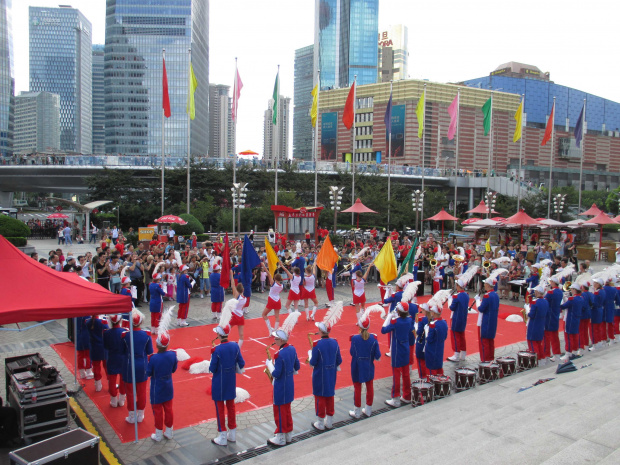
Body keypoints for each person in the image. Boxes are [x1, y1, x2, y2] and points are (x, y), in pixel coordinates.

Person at [210, 313, 245, 446]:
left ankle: (222, 435)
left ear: (219, 335)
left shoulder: (216, 350)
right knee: (231, 406)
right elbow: (241, 363)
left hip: (219, 382)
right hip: (231, 381)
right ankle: (233, 433)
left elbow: (212, 368)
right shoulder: (235, 346)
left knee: (219, 408)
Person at [266, 313, 301, 446]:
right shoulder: (292, 349)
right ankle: (288, 434)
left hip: (280, 386)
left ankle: (280, 436)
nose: (274, 340)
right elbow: (297, 366)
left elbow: (276, 374)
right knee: (287, 410)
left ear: (281, 340)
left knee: (279, 411)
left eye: (276, 338)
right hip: (290, 384)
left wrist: (269, 365)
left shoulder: (279, 354)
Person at [309, 316, 342, 431]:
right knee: (330, 396)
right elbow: (339, 360)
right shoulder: (335, 342)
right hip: (331, 374)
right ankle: (330, 421)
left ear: (322, 331)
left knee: (320, 397)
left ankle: (320, 422)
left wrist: (310, 357)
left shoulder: (317, 345)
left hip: (320, 374)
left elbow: (313, 362)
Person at [121, 310, 153, 424]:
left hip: (129, 365)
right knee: (141, 391)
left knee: (130, 392)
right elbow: (150, 351)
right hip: (142, 366)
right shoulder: (146, 335)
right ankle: (141, 414)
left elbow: (122, 351)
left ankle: (131, 415)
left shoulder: (125, 335)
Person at [381, 301, 414, 407]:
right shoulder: (409, 320)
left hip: (397, 351)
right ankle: (407, 395)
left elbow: (383, 330)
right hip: (406, 349)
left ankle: (395, 398)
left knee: (396, 375)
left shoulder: (395, 322)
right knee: (406, 374)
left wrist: (389, 318)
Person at [147, 330, 177, 442]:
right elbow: (174, 369)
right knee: (168, 409)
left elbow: (148, 372)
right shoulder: (173, 355)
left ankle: (158, 434)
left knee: (157, 411)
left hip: (156, 387)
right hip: (168, 385)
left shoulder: (153, 358)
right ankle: (169, 431)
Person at [349, 312, 381, 419]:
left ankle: (357, 411)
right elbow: (378, 356)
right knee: (369, 386)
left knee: (357, 388)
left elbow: (352, 352)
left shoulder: (354, 339)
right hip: (368, 365)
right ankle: (368, 410)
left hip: (357, 366)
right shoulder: (373, 339)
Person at [103, 315, 127, 407]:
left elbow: (105, 346)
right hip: (122, 358)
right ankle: (121, 399)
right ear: (120, 320)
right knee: (123, 379)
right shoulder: (124, 332)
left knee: (112, 380)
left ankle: (113, 400)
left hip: (112, 358)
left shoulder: (106, 333)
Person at [447, 274, 472, 362]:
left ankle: (456, 354)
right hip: (463, 318)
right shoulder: (466, 295)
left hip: (456, 318)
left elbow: (452, 308)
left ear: (459, 286)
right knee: (462, 336)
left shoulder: (456, 296)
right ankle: (463, 354)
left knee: (455, 336)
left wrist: (450, 300)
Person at [475, 276, 500, 362]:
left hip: (486, 320)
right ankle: (491, 359)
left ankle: (485, 360)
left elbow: (481, 309)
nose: (484, 285)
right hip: (493, 321)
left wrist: (478, 301)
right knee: (490, 342)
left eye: (485, 283)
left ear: (488, 285)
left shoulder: (487, 296)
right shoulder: (496, 295)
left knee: (485, 342)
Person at [560, 283, 584, 361]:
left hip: (570, 319)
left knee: (569, 337)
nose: (571, 290)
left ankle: (568, 353)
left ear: (574, 290)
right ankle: (574, 351)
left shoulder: (572, 299)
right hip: (577, 319)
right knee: (575, 336)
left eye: (571, 289)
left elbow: (563, 306)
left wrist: (564, 298)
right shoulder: (581, 298)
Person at [525, 285, 548, 364]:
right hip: (541, 324)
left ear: (538, 292)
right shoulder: (545, 301)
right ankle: (542, 358)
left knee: (532, 343)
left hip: (533, 325)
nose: (534, 292)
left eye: (535, 291)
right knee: (539, 343)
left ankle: (536, 361)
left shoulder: (535, 302)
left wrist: (527, 310)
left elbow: (531, 315)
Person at [424, 302, 448, 376]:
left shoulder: (433, 324)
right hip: (440, 348)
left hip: (432, 349)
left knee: (431, 370)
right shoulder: (444, 322)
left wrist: (426, 332)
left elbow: (429, 339)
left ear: (434, 313)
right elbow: (445, 336)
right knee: (439, 367)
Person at [85, 315, 108, 392]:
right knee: (106, 366)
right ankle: (110, 382)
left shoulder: (88, 322)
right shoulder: (103, 322)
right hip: (103, 347)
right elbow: (107, 330)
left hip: (94, 347)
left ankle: (98, 384)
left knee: (96, 367)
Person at [262, 263, 285, 336]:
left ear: (275, 278)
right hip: (277, 300)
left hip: (271, 300)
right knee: (277, 316)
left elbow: (268, 274)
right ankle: (275, 330)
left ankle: (270, 330)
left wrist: (264, 266)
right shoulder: (281, 286)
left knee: (264, 314)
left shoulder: (273, 283)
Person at [544, 277, 564, 361]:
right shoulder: (560, 291)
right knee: (555, 336)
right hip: (555, 313)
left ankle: (547, 354)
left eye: (551, 282)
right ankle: (557, 353)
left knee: (547, 336)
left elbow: (545, 301)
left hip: (549, 315)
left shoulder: (550, 292)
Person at [229, 271, 248, 348]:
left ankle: (225, 343)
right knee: (241, 335)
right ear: (243, 290)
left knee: (227, 329)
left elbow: (233, 284)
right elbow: (242, 307)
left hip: (234, 315)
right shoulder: (245, 299)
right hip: (240, 316)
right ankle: (238, 349)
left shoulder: (236, 295)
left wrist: (231, 275)